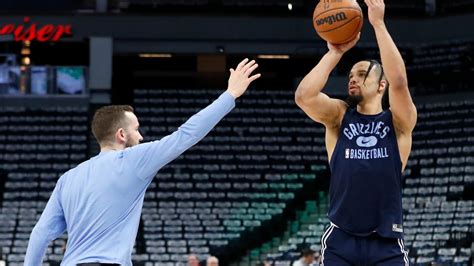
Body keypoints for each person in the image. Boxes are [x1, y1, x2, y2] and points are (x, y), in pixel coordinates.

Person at [24, 58, 261, 266]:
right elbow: (185, 135)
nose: (141, 136)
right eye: (136, 129)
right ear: (121, 135)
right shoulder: (132, 160)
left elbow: (40, 235)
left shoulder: (68, 178)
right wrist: (229, 95)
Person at [295, 0, 416, 265]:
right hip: (341, 240)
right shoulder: (339, 117)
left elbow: (399, 81)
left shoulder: (398, 123)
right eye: (350, 74)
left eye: (361, 74)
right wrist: (334, 53)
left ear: (381, 85)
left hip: (386, 242)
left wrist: (379, 25)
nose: (352, 78)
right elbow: (304, 97)